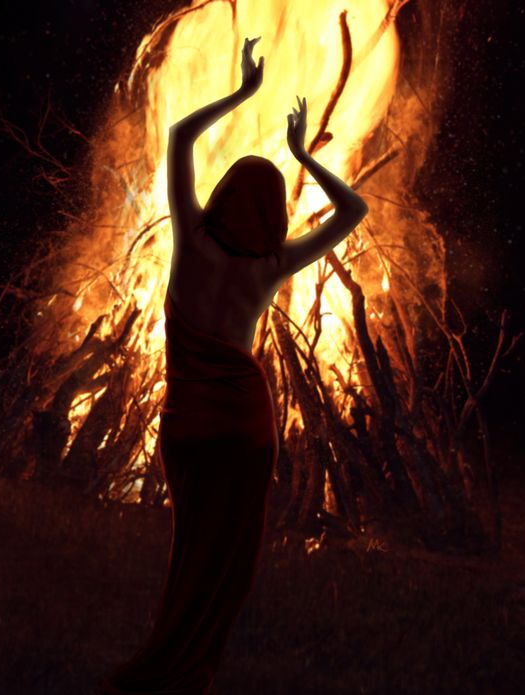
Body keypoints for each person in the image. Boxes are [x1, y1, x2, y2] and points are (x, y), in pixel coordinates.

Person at [99, 36, 368, 695]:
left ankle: (172, 657)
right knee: (231, 561)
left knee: (191, 547)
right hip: (247, 429)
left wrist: (240, 93)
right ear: (273, 212)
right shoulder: (269, 268)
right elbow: (355, 210)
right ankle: (193, 664)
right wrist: (307, 154)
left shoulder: (192, 240)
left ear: (222, 197)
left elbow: (182, 138)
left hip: (191, 421)